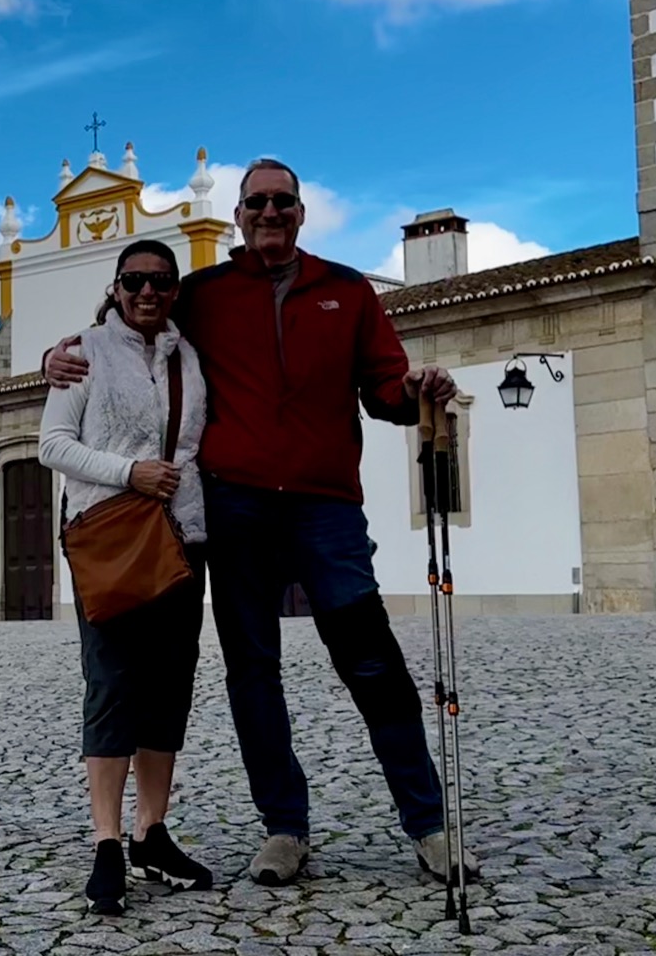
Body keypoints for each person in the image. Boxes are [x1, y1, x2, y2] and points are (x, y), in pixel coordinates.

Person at [45, 158, 477, 889]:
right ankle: (285, 828)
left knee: (371, 659)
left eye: (282, 202)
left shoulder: (346, 291)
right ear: (238, 217)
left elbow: (383, 388)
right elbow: (131, 326)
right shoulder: (205, 294)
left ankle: (429, 824)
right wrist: (60, 352)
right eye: (256, 203)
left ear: (301, 212)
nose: (269, 213)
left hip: (324, 505)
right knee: (253, 672)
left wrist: (413, 388)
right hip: (237, 505)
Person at [38, 239, 216, 916]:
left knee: (168, 685)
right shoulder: (80, 352)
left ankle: (152, 831)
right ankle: (107, 840)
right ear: (116, 287)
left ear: (175, 291)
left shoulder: (189, 356)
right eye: (135, 280)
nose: (148, 291)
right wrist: (129, 473)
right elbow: (52, 445)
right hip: (110, 537)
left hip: (180, 540)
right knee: (111, 682)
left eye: (161, 282)